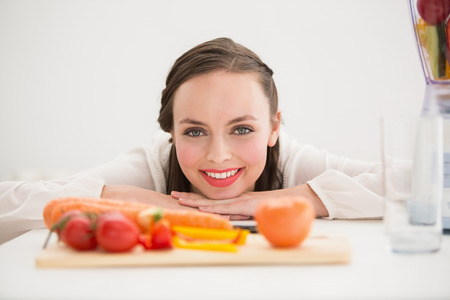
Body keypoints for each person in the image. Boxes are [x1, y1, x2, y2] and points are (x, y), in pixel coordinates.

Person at [0, 37, 384, 244]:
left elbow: (434, 183)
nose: (218, 156)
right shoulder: (150, 167)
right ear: (170, 133)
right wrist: (120, 197)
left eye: (242, 129)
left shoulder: (294, 164)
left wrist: (298, 197)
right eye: (195, 131)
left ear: (274, 128)